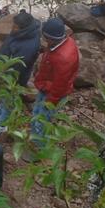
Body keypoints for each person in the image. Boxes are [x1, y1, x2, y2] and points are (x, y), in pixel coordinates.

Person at [32, 18, 79, 149]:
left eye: (44, 37)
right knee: (37, 113)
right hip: (47, 85)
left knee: (42, 120)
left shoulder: (63, 58)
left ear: (50, 38)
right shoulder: (64, 42)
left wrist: (51, 102)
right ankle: (36, 137)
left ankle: (38, 148)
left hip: (53, 92)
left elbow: (60, 85)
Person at [0, 10, 41, 87]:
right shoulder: (20, 32)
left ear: (24, 28)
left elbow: (16, 68)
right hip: (1, 66)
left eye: (15, 27)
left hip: (12, 79)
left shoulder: (29, 47)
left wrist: (1, 79)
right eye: (13, 25)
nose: (13, 28)